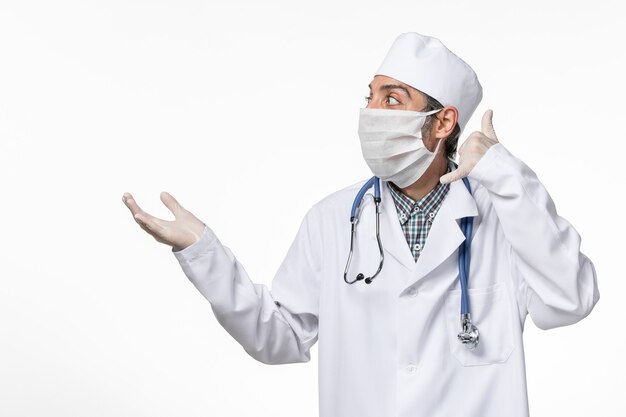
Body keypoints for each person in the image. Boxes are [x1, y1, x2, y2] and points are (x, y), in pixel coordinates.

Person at [122, 32, 600, 417]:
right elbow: (278, 338)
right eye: (370, 98)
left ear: (443, 122)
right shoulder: (332, 221)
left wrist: (504, 172)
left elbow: (572, 299)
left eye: (392, 99)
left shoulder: (505, 216)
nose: (372, 113)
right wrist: (203, 253)